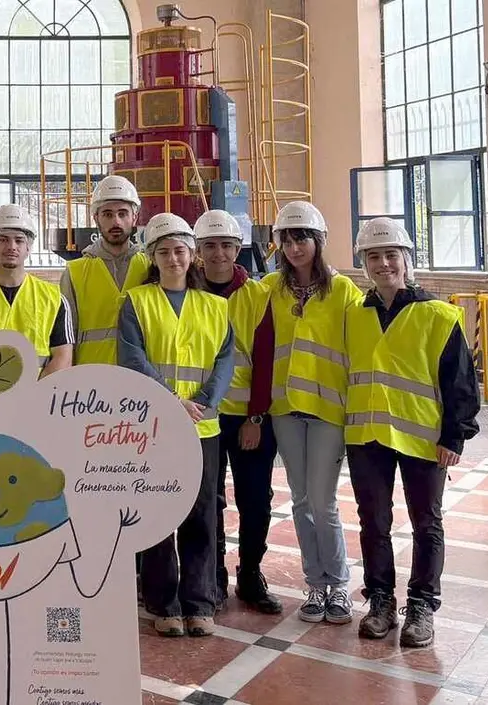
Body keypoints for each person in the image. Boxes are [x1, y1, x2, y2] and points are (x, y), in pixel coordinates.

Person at [346, 218, 479, 648]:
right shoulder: (354, 316)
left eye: (390, 255)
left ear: (406, 260)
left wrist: (454, 437)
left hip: (424, 438)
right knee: (374, 522)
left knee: (427, 523)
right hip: (366, 436)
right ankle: (380, 600)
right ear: (363, 263)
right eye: (373, 257)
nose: (383, 264)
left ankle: (422, 605)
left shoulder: (438, 315)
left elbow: (460, 382)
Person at [118, 213, 234, 638]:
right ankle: (162, 602)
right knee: (156, 513)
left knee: (202, 513)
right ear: (152, 256)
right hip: (152, 425)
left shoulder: (217, 307)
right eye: (164, 251)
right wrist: (170, 402)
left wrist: (202, 402)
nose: (173, 258)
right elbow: (132, 357)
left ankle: (199, 602)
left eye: (180, 251)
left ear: (193, 256)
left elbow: (225, 362)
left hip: (202, 427)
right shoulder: (136, 301)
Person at [264, 201, 363, 626]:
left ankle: (338, 584)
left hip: (327, 410)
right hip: (285, 408)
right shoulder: (271, 288)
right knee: (300, 501)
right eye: (286, 239)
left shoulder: (342, 291)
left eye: (301, 237)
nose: (294, 247)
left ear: (318, 242)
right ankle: (315, 584)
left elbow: (359, 349)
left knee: (323, 503)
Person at [195, 210, 283, 615]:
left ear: (238, 249)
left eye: (226, 245)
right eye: (209, 245)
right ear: (198, 251)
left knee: (255, 500)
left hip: (247, 418)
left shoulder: (257, 296)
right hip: (202, 418)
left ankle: (250, 573)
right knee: (208, 502)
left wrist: (256, 417)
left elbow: (265, 360)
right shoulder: (185, 295)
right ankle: (212, 579)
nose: (218, 253)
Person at [0, 204, 73, 376]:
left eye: (19, 240)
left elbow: (63, 357)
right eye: (3, 239)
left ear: (28, 248)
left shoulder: (53, 299)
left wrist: (37, 394)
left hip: (39, 399)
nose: (12, 246)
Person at [60, 175, 150, 364]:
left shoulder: (149, 267)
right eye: (108, 214)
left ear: (134, 217)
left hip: (141, 379)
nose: (116, 222)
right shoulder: (75, 271)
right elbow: (65, 337)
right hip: (92, 379)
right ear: (96, 218)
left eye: (122, 214)